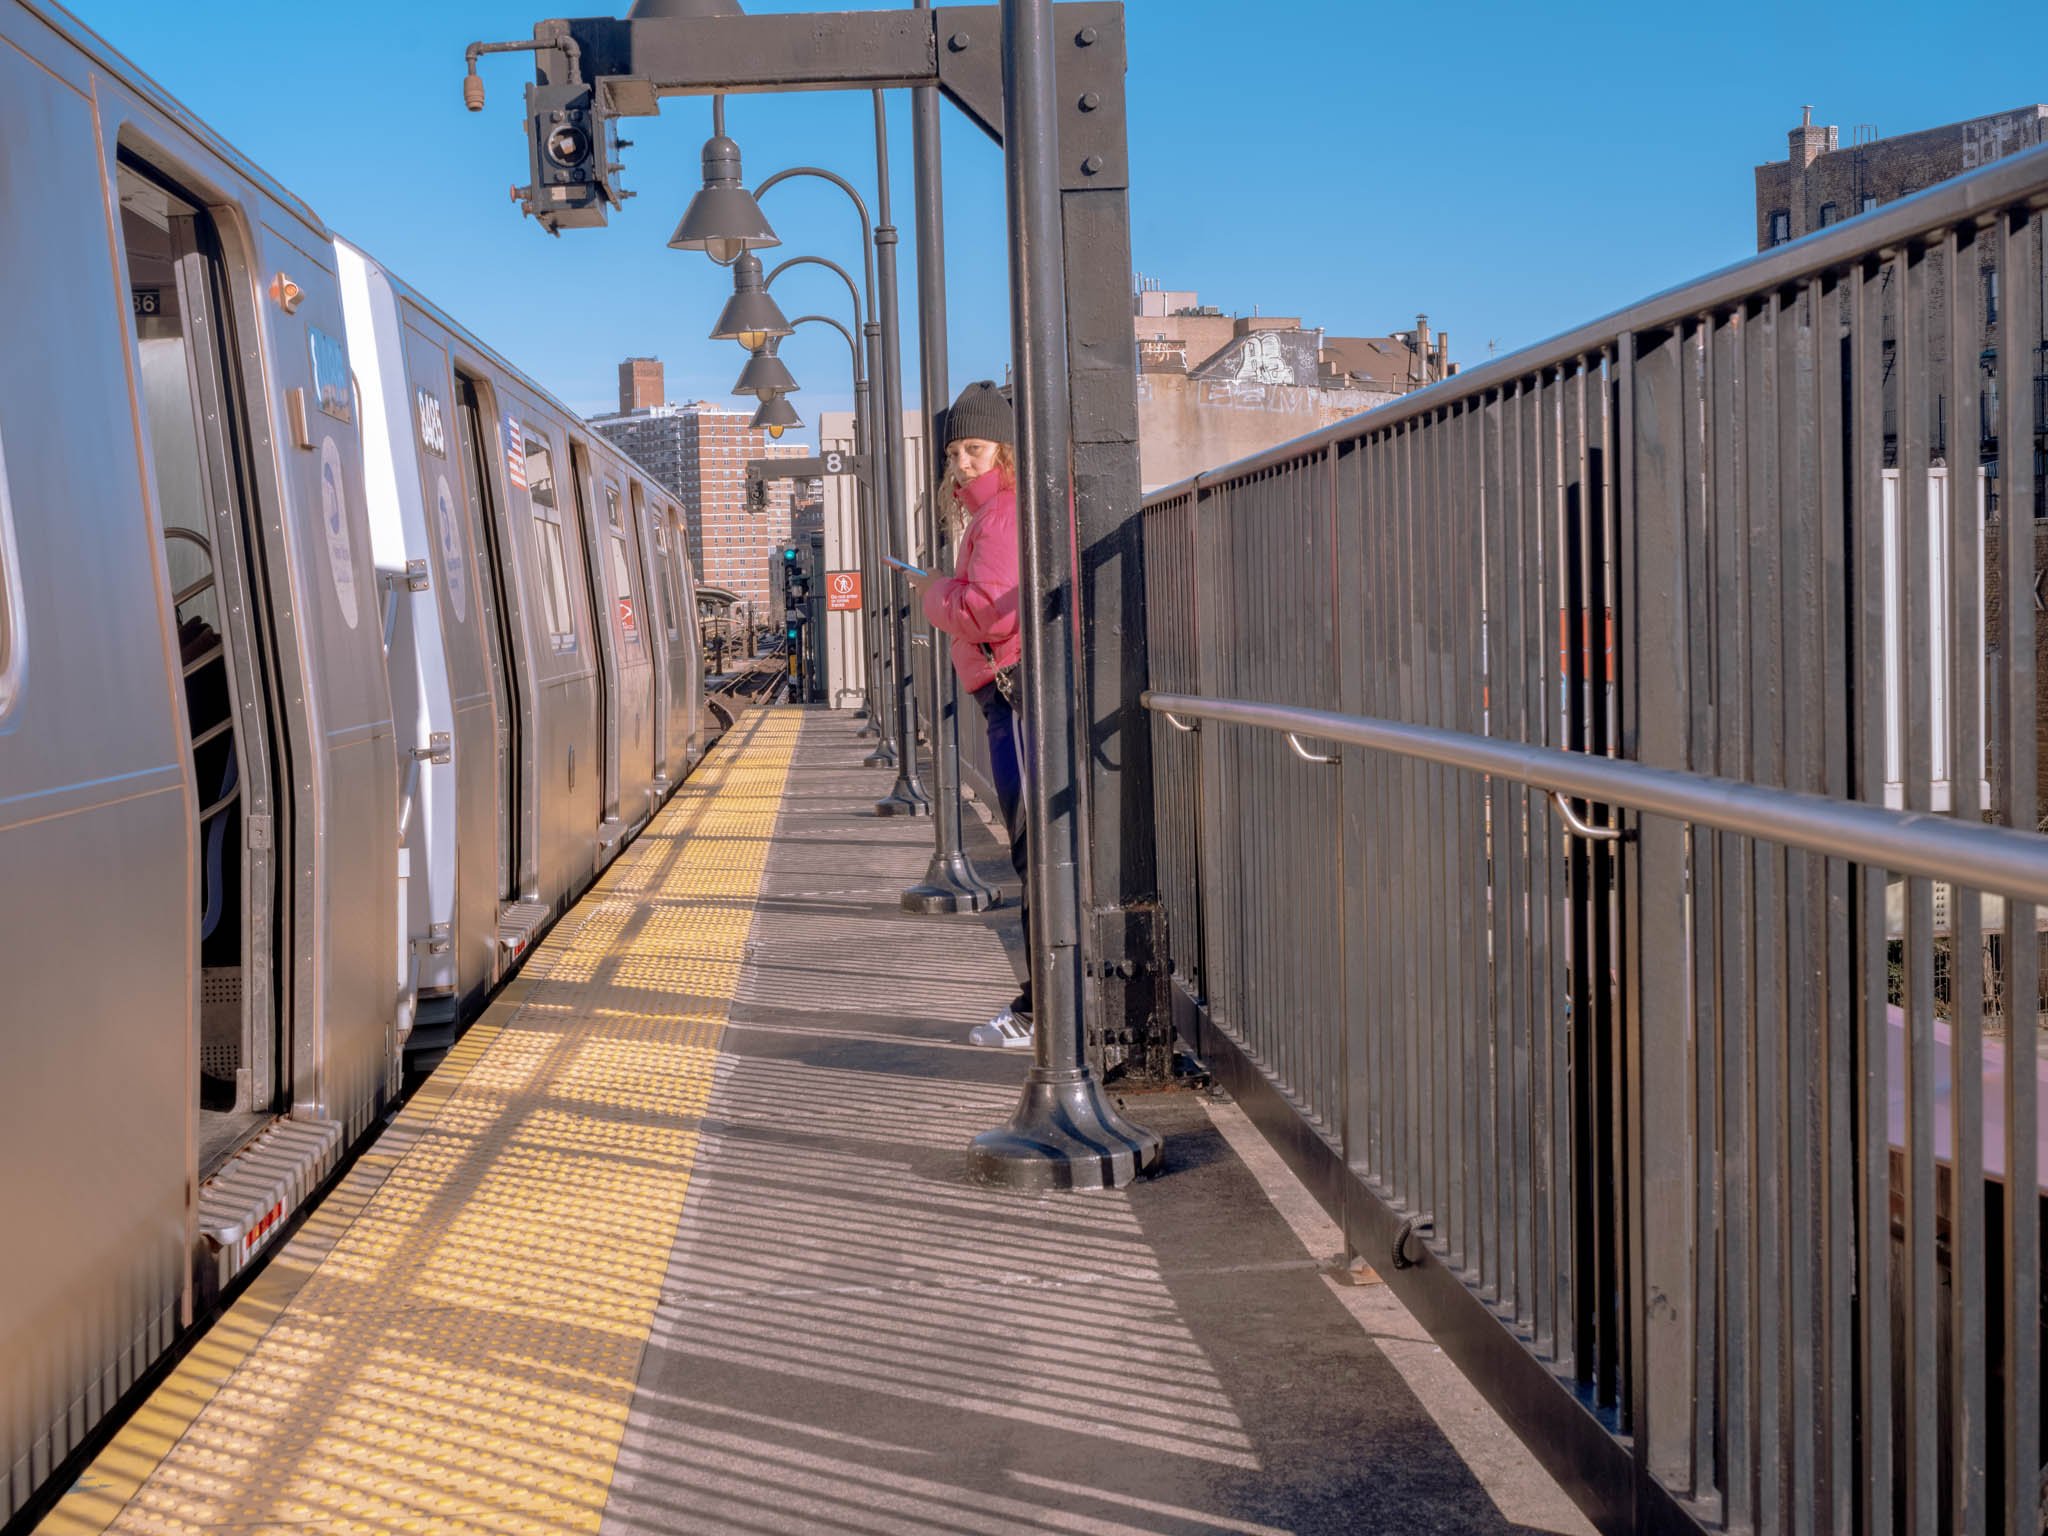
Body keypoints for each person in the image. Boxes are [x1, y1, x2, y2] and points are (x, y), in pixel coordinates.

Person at [904, 381, 1033, 1048]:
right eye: (956, 452)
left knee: (1035, 849)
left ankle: (1042, 1016)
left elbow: (987, 608)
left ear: (1006, 450)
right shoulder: (996, 515)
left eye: (975, 449)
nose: (963, 463)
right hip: (1007, 692)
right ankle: (1045, 1009)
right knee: (1032, 846)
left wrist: (933, 594)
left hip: (1015, 695)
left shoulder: (1004, 516)